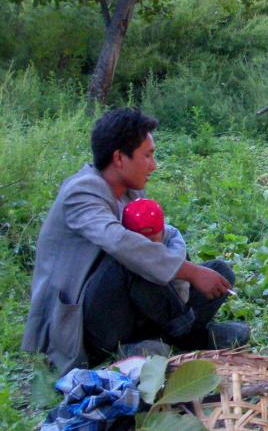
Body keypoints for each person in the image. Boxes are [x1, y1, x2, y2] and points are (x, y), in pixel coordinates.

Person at [22, 108, 249, 374]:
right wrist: (190, 272)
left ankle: (150, 342)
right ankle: (189, 335)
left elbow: (159, 240)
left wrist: (193, 274)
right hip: (85, 324)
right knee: (130, 258)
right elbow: (123, 245)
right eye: (147, 155)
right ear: (119, 158)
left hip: (126, 308)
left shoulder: (130, 190)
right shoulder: (82, 191)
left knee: (219, 273)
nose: (153, 165)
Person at [122, 198, 191, 305]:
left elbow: (179, 277)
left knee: (219, 268)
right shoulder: (121, 246)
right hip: (140, 300)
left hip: (173, 294)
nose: (149, 247)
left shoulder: (173, 240)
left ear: (162, 231)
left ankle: (184, 319)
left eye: (152, 240)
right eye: (142, 242)